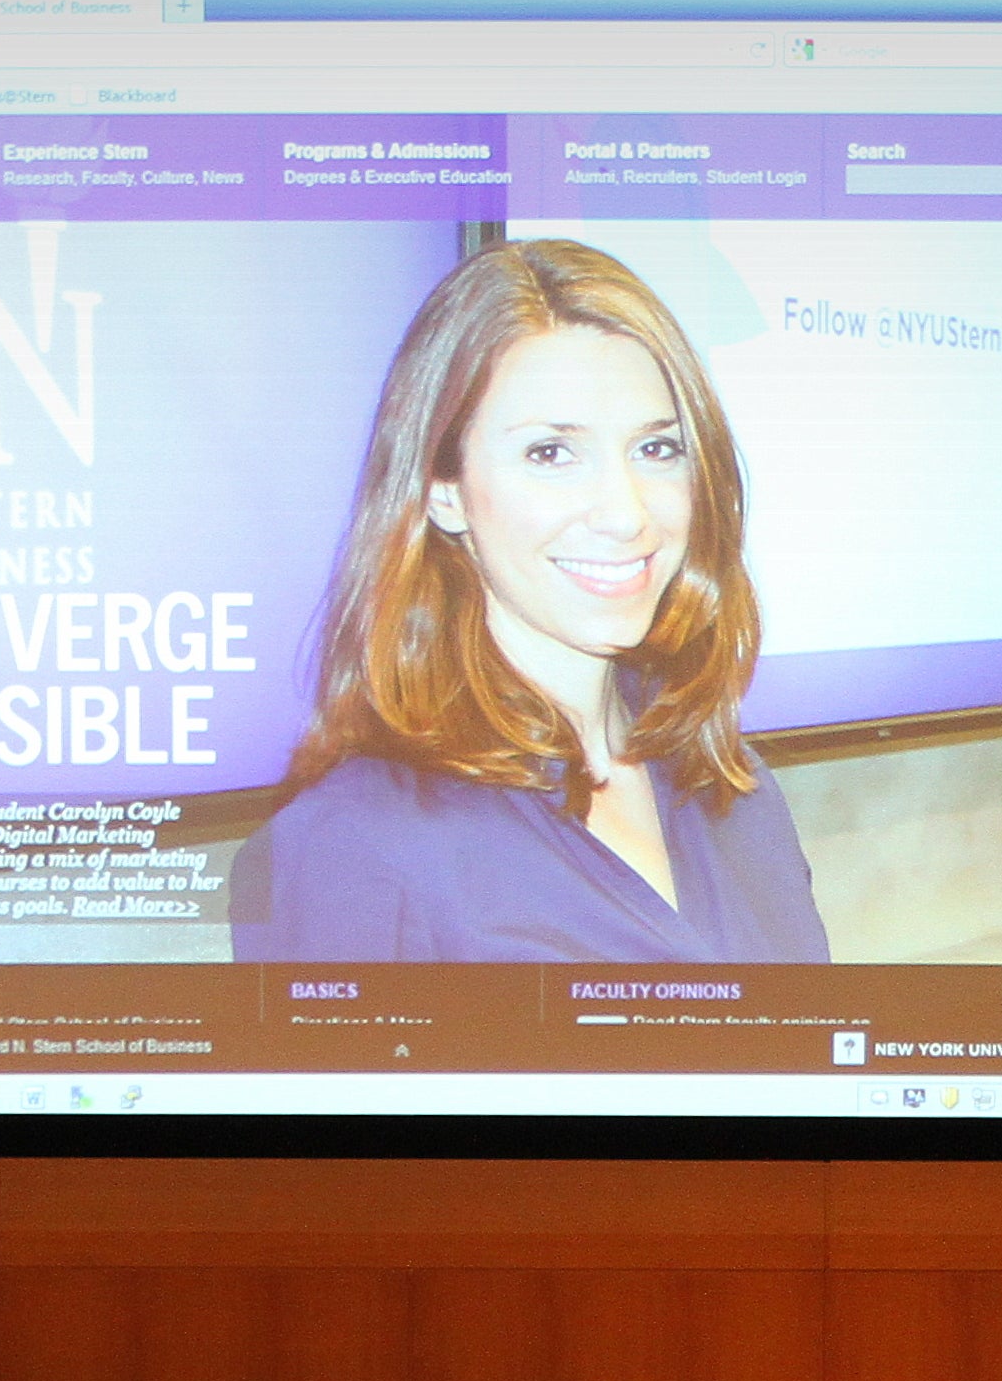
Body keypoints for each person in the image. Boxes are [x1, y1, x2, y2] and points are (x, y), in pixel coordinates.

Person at [236, 239, 831, 963]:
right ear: (443, 489)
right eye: (551, 453)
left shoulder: (732, 787)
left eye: (656, 450)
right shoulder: (357, 844)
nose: (626, 514)